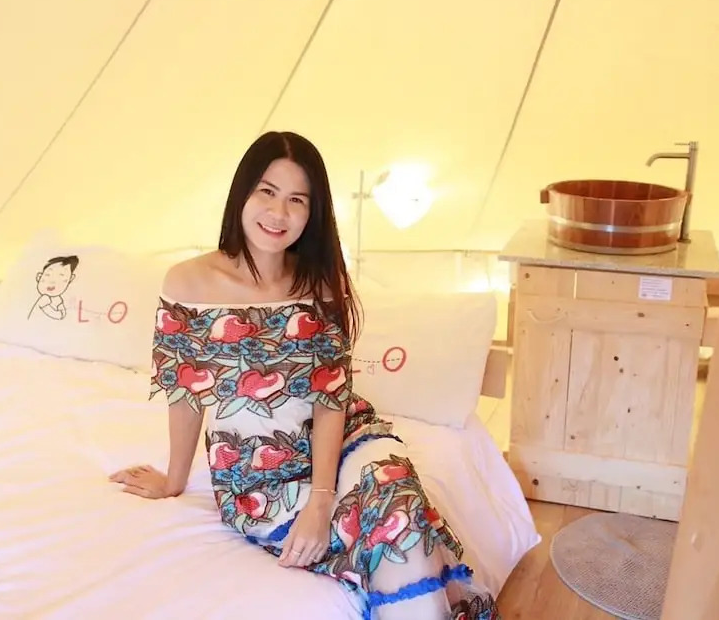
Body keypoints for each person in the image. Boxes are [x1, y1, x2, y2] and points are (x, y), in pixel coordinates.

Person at [108, 131, 499, 620]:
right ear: (242, 193)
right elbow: (185, 394)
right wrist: (174, 480)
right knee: (394, 527)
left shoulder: (321, 283)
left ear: (312, 213)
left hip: (344, 440)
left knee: (396, 493)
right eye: (267, 192)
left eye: (297, 200)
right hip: (256, 474)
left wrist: (321, 502)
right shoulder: (188, 283)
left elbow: (331, 400)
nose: (279, 213)